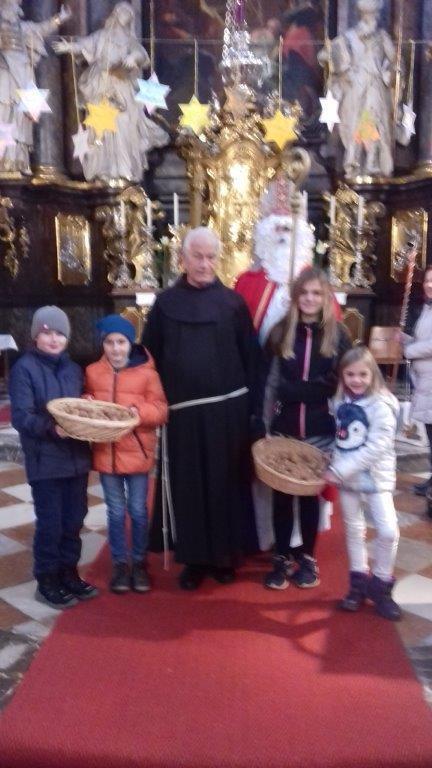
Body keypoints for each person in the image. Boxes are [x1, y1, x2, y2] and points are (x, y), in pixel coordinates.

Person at [143, 226, 262, 590]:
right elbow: (149, 358)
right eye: (198, 256)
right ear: (183, 258)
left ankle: (225, 557)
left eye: (211, 257)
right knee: (189, 486)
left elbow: (251, 358)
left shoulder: (233, 304)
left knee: (226, 484)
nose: (205, 264)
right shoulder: (165, 304)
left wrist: (254, 412)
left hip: (229, 414)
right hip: (184, 416)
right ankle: (194, 559)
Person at [264, 267, 351, 589]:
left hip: (320, 429)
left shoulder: (338, 335)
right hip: (284, 427)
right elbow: (271, 383)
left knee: (310, 497)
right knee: (282, 496)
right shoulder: (280, 332)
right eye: (304, 293)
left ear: (326, 297)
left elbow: (343, 386)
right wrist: (264, 425)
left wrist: (301, 391)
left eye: (317, 293)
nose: (310, 299)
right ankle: (281, 556)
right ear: (296, 296)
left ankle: (307, 558)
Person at [9, 306, 96, 608]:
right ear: (36, 336)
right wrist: (51, 429)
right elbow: (21, 416)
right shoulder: (24, 368)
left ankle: (69, 573)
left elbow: (75, 408)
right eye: (47, 333)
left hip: (76, 458)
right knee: (51, 524)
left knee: (74, 520)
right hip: (45, 460)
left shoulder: (73, 370)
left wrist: (85, 404)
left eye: (60, 333)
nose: (54, 339)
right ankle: (47, 579)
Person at [85, 315, 167, 593]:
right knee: (116, 511)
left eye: (121, 342)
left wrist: (138, 412)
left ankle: (139, 562)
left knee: (138, 510)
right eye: (109, 342)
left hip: (137, 453)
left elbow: (161, 410)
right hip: (106, 453)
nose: (115, 348)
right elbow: (87, 399)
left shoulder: (147, 373)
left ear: (130, 344)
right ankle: (120, 564)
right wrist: (87, 403)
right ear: (103, 344)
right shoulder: (93, 372)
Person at [325, 346, 401, 621]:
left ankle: (380, 585)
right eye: (350, 375)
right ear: (342, 376)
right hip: (348, 479)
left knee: (388, 531)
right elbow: (341, 437)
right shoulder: (340, 399)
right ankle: (357, 584)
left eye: (362, 374)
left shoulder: (382, 404)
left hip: (375, 477)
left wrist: (339, 470)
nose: (356, 380)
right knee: (354, 530)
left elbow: (377, 447)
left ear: (373, 374)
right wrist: (331, 456)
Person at [53, 2, 169, 182]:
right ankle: (106, 168)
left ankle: (124, 168)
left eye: (128, 14)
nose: (124, 16)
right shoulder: (102, 36)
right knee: (102, 127)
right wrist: (69, 47)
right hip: (101, 85)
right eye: (122, 12)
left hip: (122, 86)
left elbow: (141, 55)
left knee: (124, 124)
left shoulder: (130, 41)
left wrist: (132, 58)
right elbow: (85, 44)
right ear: (115, 14)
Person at [319, 0, 398, 178]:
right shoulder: (348, 38)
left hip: (375, 86)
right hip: (355, 88)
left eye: (375, 14)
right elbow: (326, 55)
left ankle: (371, 162)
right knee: (356, 123)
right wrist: (343, 69)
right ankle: (354, 161)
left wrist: (390, 73)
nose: (373, 18)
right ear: (362, 15)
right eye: (370, 14)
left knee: (372, 120)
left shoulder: (382, 37)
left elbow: (395, 62)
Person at [0, 1, 71, 174]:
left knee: (21, 116)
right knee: (3, 111)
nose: (13, 7)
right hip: (4, 72)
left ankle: (16, 160)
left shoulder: (24, 27)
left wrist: (59, 18)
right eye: (9, 4)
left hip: (23, 72)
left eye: (15, 4)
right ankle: (3, 158)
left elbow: (42, 29)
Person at [401, 265, 432, 497]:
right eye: (428, 281)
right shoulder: (427, 308)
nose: (429, 285)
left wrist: (407, 350)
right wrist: (404, 339)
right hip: (425, 380)